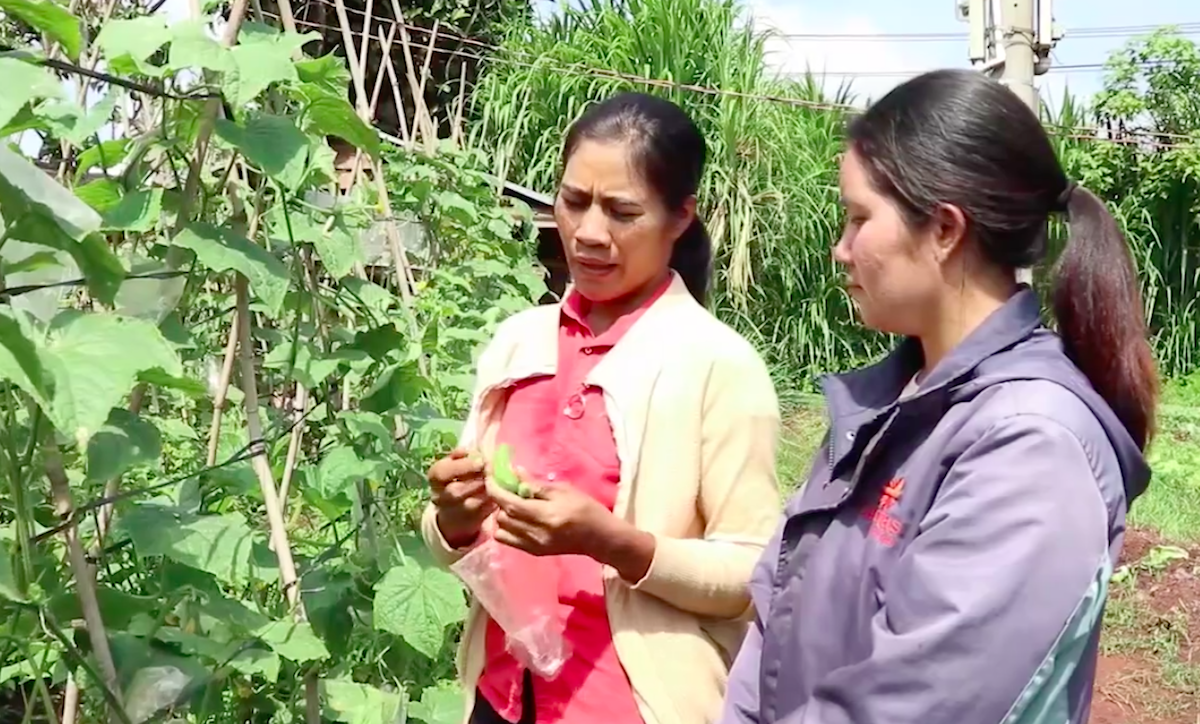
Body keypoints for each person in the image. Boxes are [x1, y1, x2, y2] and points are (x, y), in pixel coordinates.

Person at [720, 68, 1158, 724]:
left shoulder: (1031, 443)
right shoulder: (889, 403)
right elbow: (776, 614)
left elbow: (917, 704)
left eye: (859, 218)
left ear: (946, 230)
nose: (840, 249)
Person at [421, 91, 783, 724]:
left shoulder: (718, 366)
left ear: (679, 219)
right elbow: (463, 539)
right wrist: (453, 517)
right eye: (573, 201)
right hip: (503, 695)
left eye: (622, 211)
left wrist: (617, 544)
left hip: (633, 706)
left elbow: (753, 572)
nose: (589, 233)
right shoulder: (518, 343)